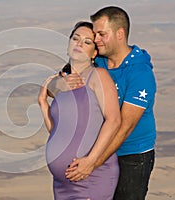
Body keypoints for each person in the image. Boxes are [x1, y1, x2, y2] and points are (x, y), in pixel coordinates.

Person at [66, 6, 157, 200]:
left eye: (101, 34)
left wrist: (93, 162)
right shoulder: (98, 61)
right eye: (95, 34)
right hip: (97, 152)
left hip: (131, 156)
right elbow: (64, 76)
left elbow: (124, 126)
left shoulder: (140, 73)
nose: (96, 40)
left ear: (120, 34)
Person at [38, 21, 121, 200]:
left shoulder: (98, 75)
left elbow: (114, 120)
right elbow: (58, 132)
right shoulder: (63, 83)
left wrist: (91, 162)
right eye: (75, 38)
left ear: (95, 52)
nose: (79, 44)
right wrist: (43, 103)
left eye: (87, 42)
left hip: (90, 177)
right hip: (62, 184)